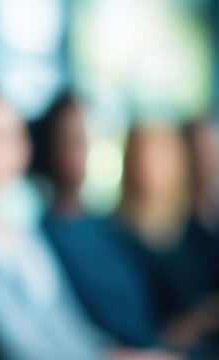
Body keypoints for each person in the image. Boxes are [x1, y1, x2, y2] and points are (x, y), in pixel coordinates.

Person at [0, 92, 113, 359]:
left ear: (22, 149)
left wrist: (114, 353)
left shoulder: (25, 233)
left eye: (2, 138)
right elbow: (19, 345)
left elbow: (66, 322)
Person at [32, 94, 160, 349]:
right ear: (50, 146)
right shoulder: (42, 240)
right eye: (70, 138)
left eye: (85, 137)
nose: (82, 147)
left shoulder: (111, 227)